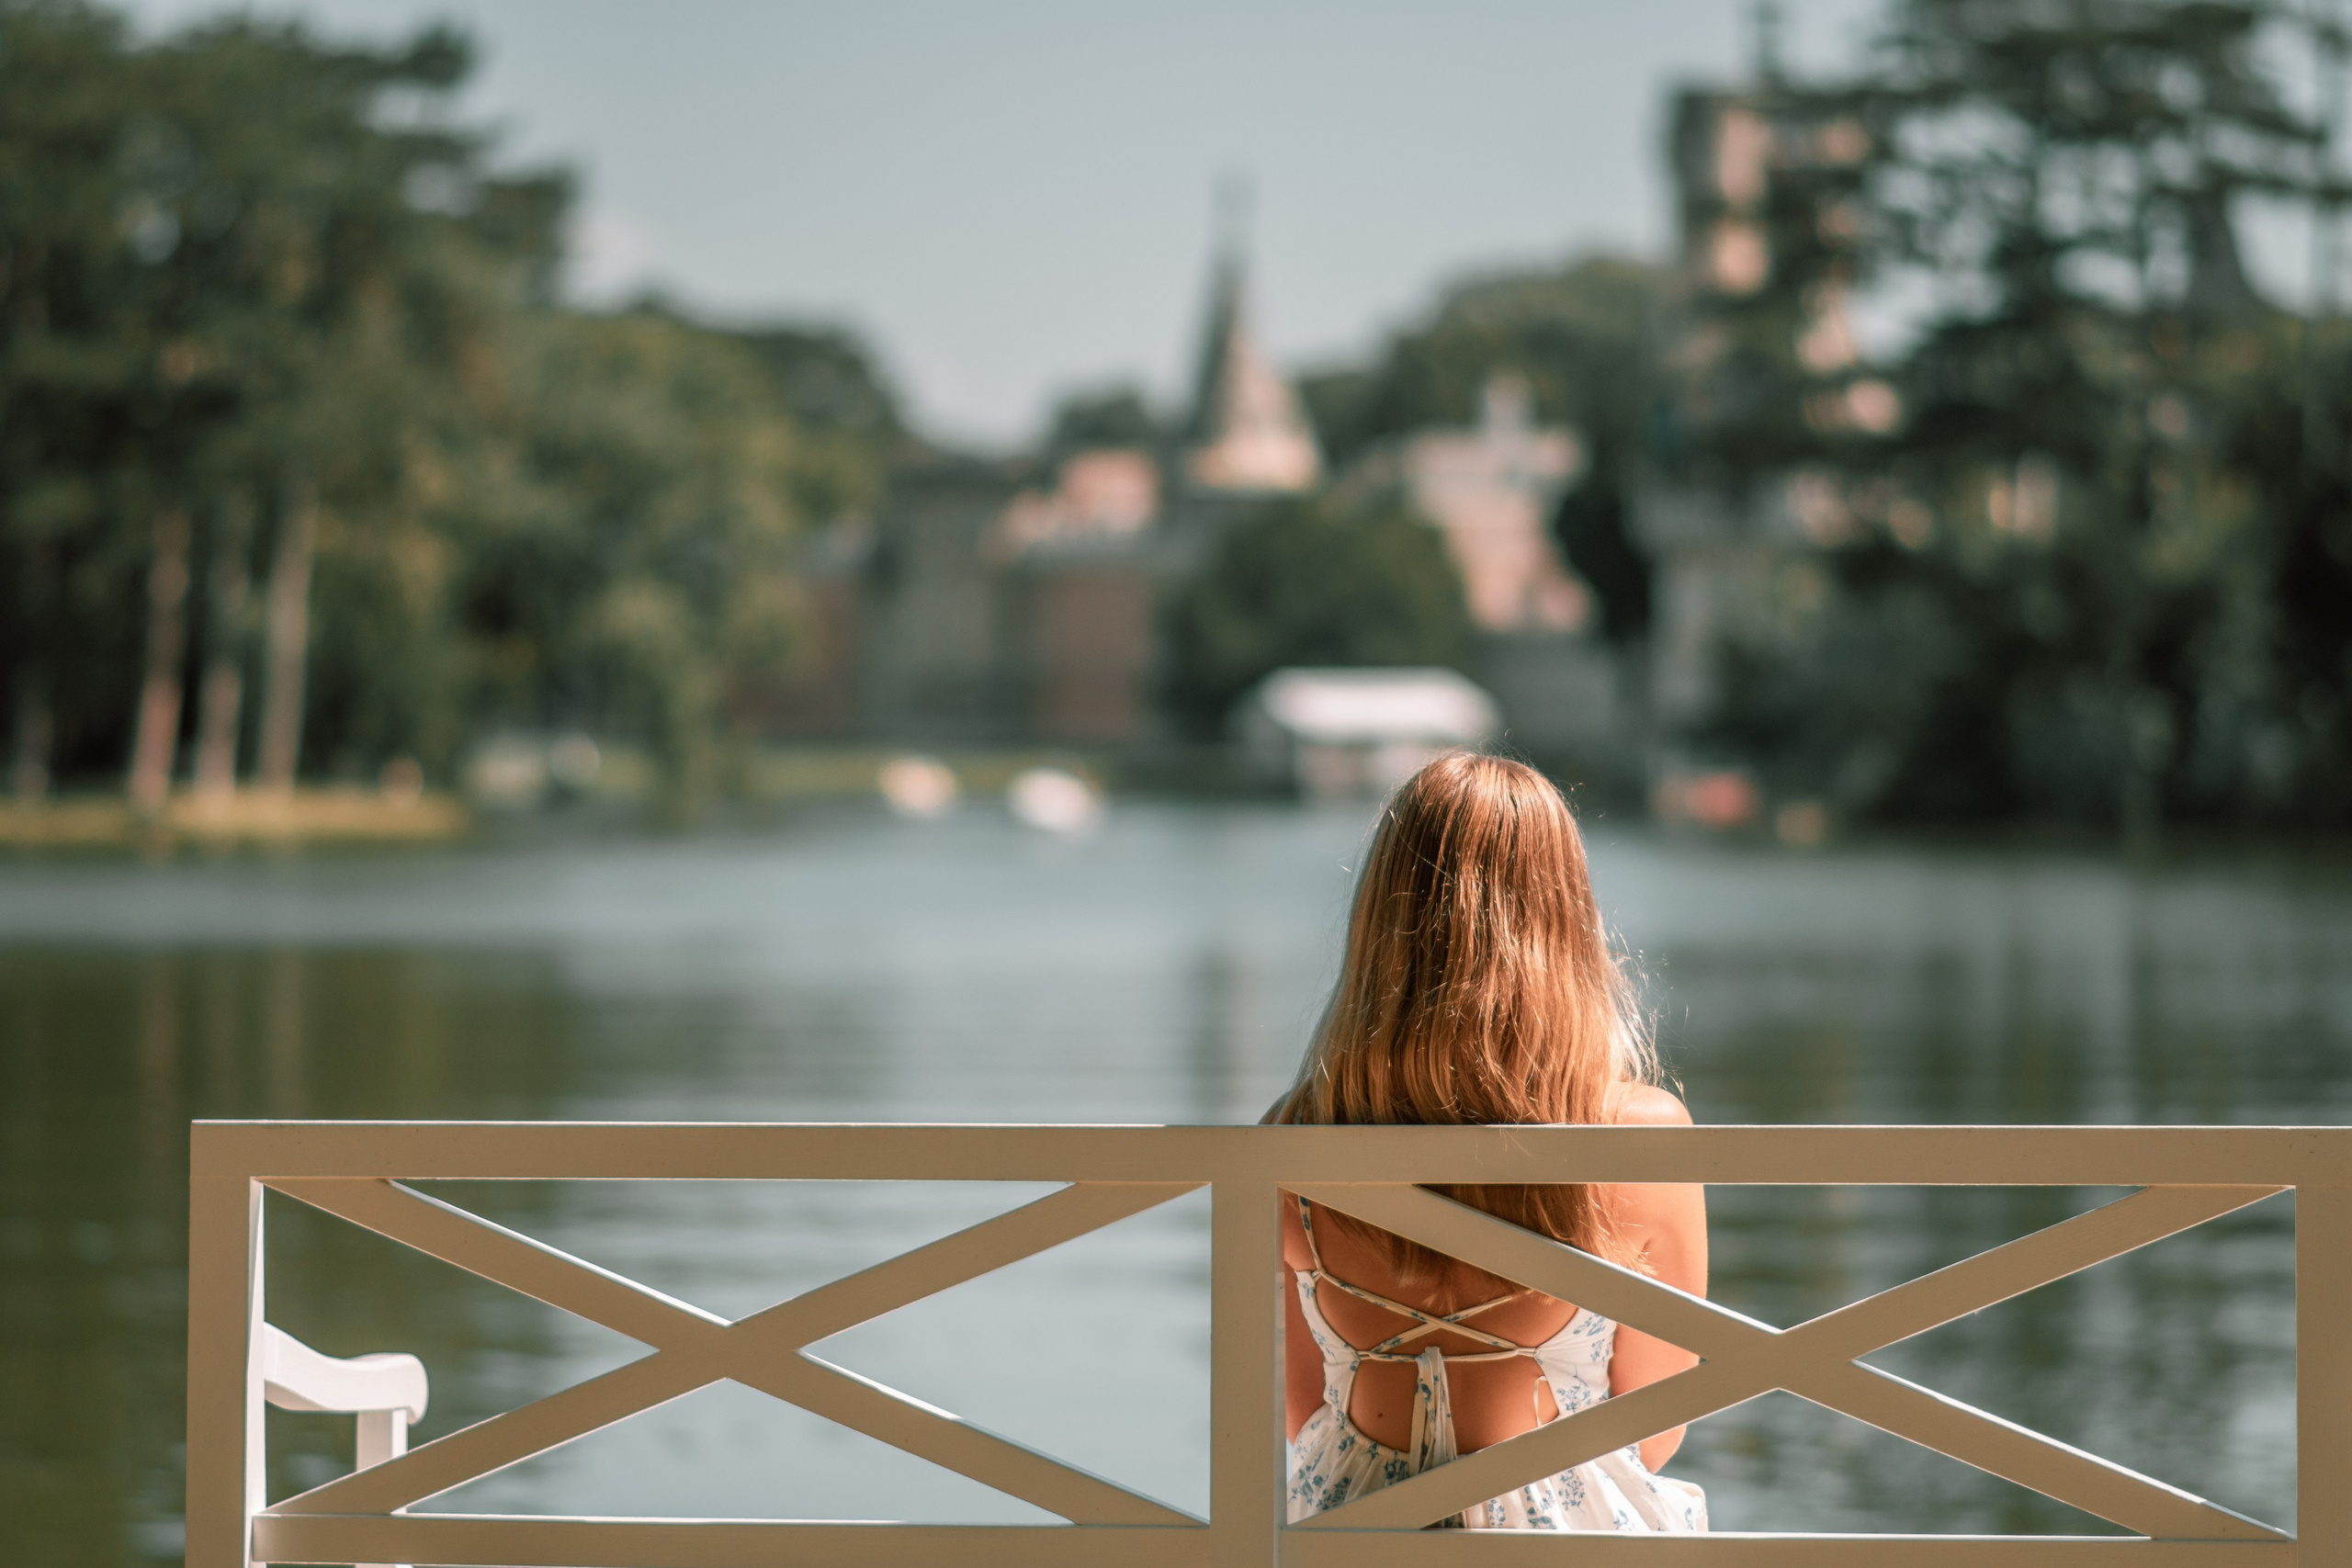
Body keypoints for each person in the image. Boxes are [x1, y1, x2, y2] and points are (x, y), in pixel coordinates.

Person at [1265, 752, 1708, 1531]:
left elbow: (1304, 1412)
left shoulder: (1295, 1139)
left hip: (1358, 1542)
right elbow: (1659, 1425)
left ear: (1382, 925)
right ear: (1565, 918)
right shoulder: (1638, 1136)